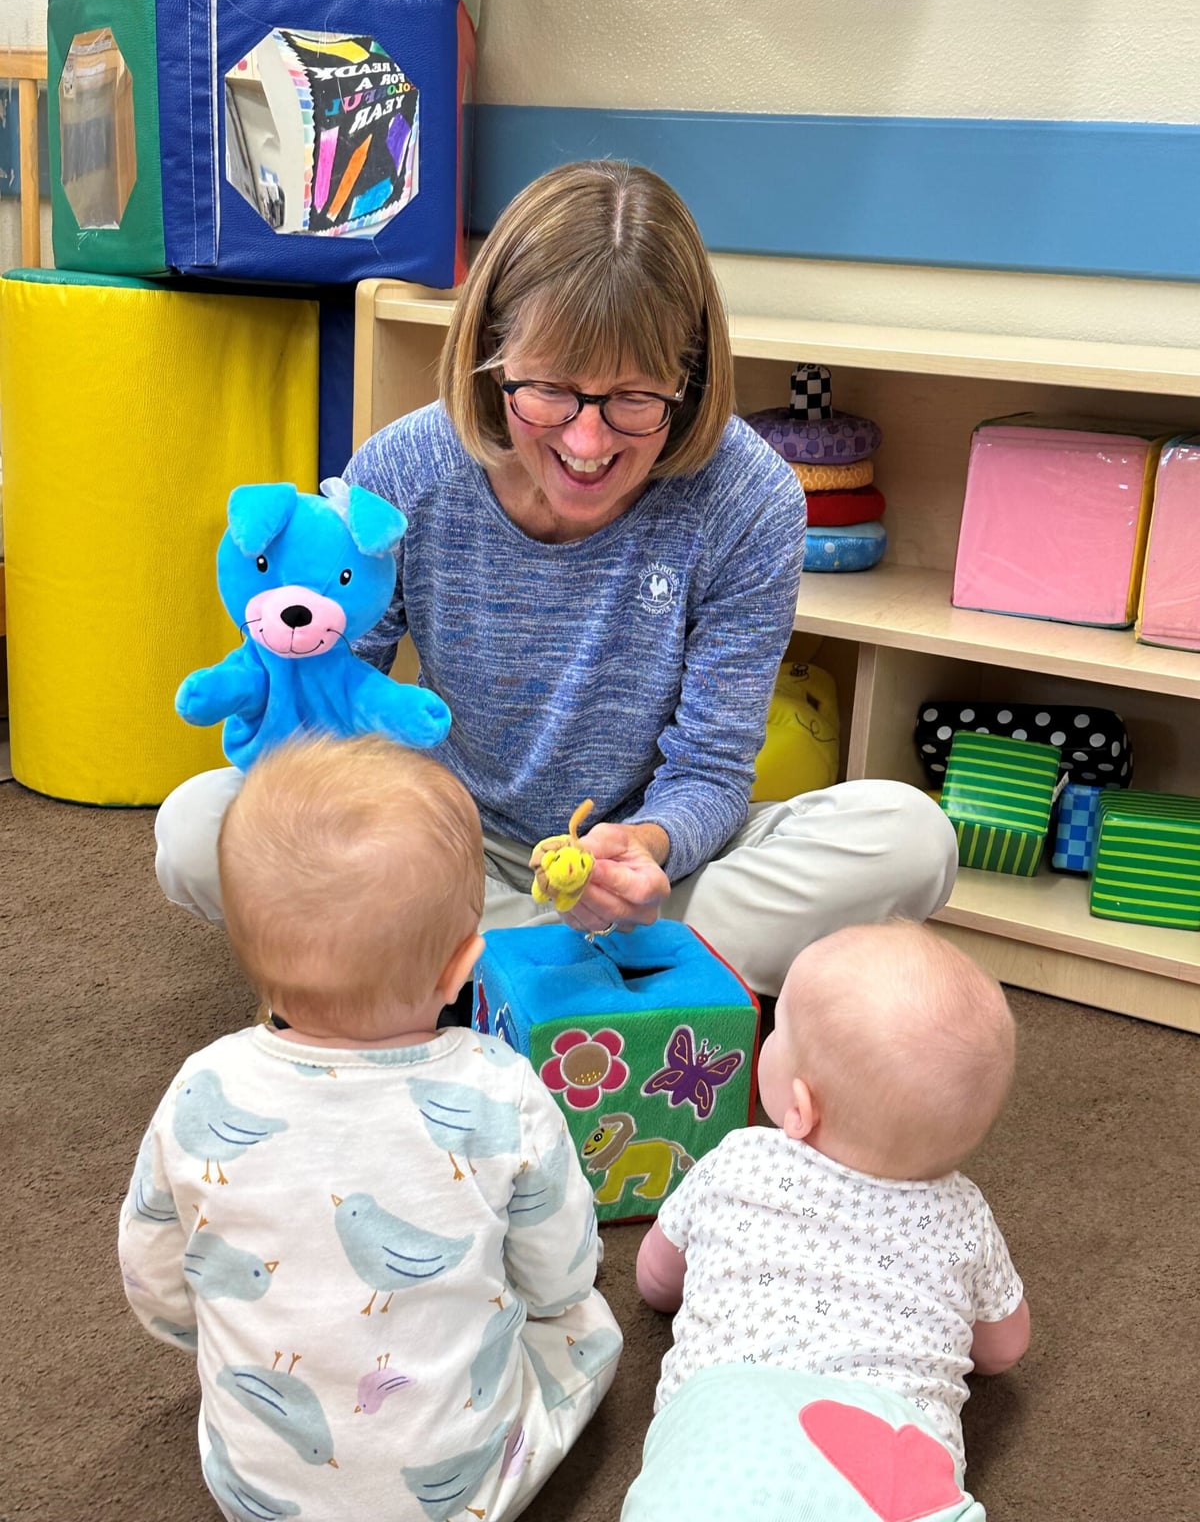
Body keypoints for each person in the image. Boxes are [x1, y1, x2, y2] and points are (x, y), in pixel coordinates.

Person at [155, 159, 957, 1001]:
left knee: (910, 837)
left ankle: (476, 976)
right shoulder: (405, 469)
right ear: (492, 358)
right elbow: (334, 697)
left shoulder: (748, 498)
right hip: (443, 849)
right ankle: (612, 985)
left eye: (635, 399)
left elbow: (713, 769)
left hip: (646, 876)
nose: (586, 442)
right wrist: (397, 841)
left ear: (688, 383)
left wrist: (645, 848)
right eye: (547, 392)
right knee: (197, 827)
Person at [119, 735, 621, 1522]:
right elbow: (559, 1278)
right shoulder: (500, 1086)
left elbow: (155, 1281)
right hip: (467, 1492)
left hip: (258, 1492)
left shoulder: (202, 1083)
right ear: (464, 969)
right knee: (588, 1330)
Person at [624, 919, 1030, 1520]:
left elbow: (655, 1282)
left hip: (724, 1432)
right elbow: (1005, 1347)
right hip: (890, 1450)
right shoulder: (964, 1214)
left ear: (799, 1107)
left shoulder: (738, 1158)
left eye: (777, 1028)